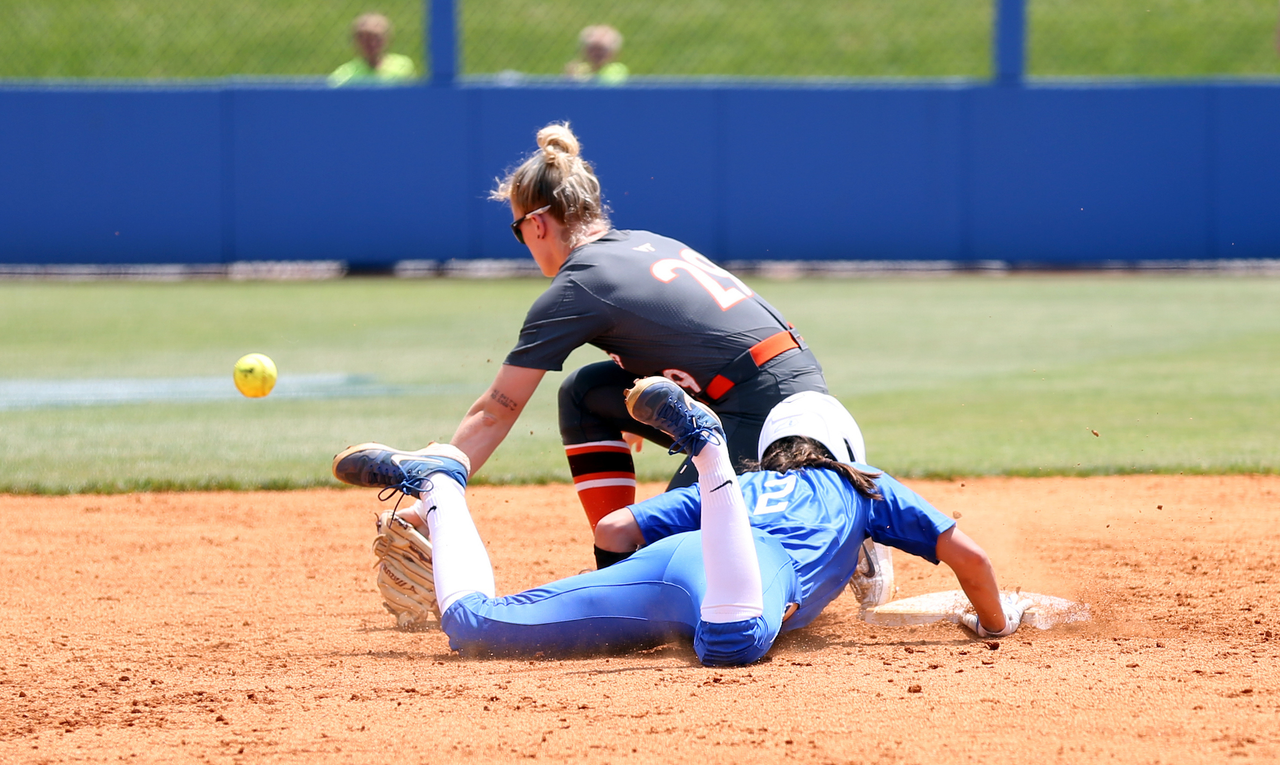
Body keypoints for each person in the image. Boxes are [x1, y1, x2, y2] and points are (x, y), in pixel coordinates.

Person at [357, 120, 832, 571]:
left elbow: (494, 412)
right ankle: (623, 564)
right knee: (586, 393)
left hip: (763, 415)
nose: (522, 239)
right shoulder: (646, 242)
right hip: (802, 397)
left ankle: (835, 541)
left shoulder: (580, 284)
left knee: (672, 564)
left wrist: (431, 500)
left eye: (517, 227)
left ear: (538, 223)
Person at [332, 377, 1031, 665]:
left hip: (679, 558)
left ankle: (438, 484)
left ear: (772, 450)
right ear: (848, 452)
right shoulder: (865, 489)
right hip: (744, 572)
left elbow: (614, 532)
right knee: (730, 641)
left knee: (474, 628)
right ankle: (703, 444)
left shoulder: (760, 486)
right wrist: (993, 626)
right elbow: (972, 559)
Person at [328, 13, 416, 87]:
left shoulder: (403, 66)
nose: (370, 43)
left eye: (376, 38)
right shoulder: (345, 74)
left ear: (387, 38)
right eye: (362, 38)